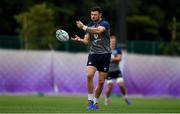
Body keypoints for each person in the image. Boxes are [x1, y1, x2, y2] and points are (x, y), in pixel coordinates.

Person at [71, 6, 111, 110]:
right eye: (91, 14)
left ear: (100, 15)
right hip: (93, 54)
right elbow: (86, 41)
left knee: (101, 82)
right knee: (89, 75)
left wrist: (83, 27)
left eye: (95, 14)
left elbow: (98, 31)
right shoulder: (89, 25)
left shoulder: (105, 24)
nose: (93, 16)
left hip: (105, 55)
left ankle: (96, 102)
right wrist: (80, 40)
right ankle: (89, 100)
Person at [104, 36, 131, 106]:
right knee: (110, 86)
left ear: (115, 42)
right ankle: (107, 99)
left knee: (121, 85)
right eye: (111, 41)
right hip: (109, 71)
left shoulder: (118, 50)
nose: (113, 42)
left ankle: (125, 97)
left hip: (116, 70)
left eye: (114, 41)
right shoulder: (106, 49)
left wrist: (112, 57)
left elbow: (119, 59)